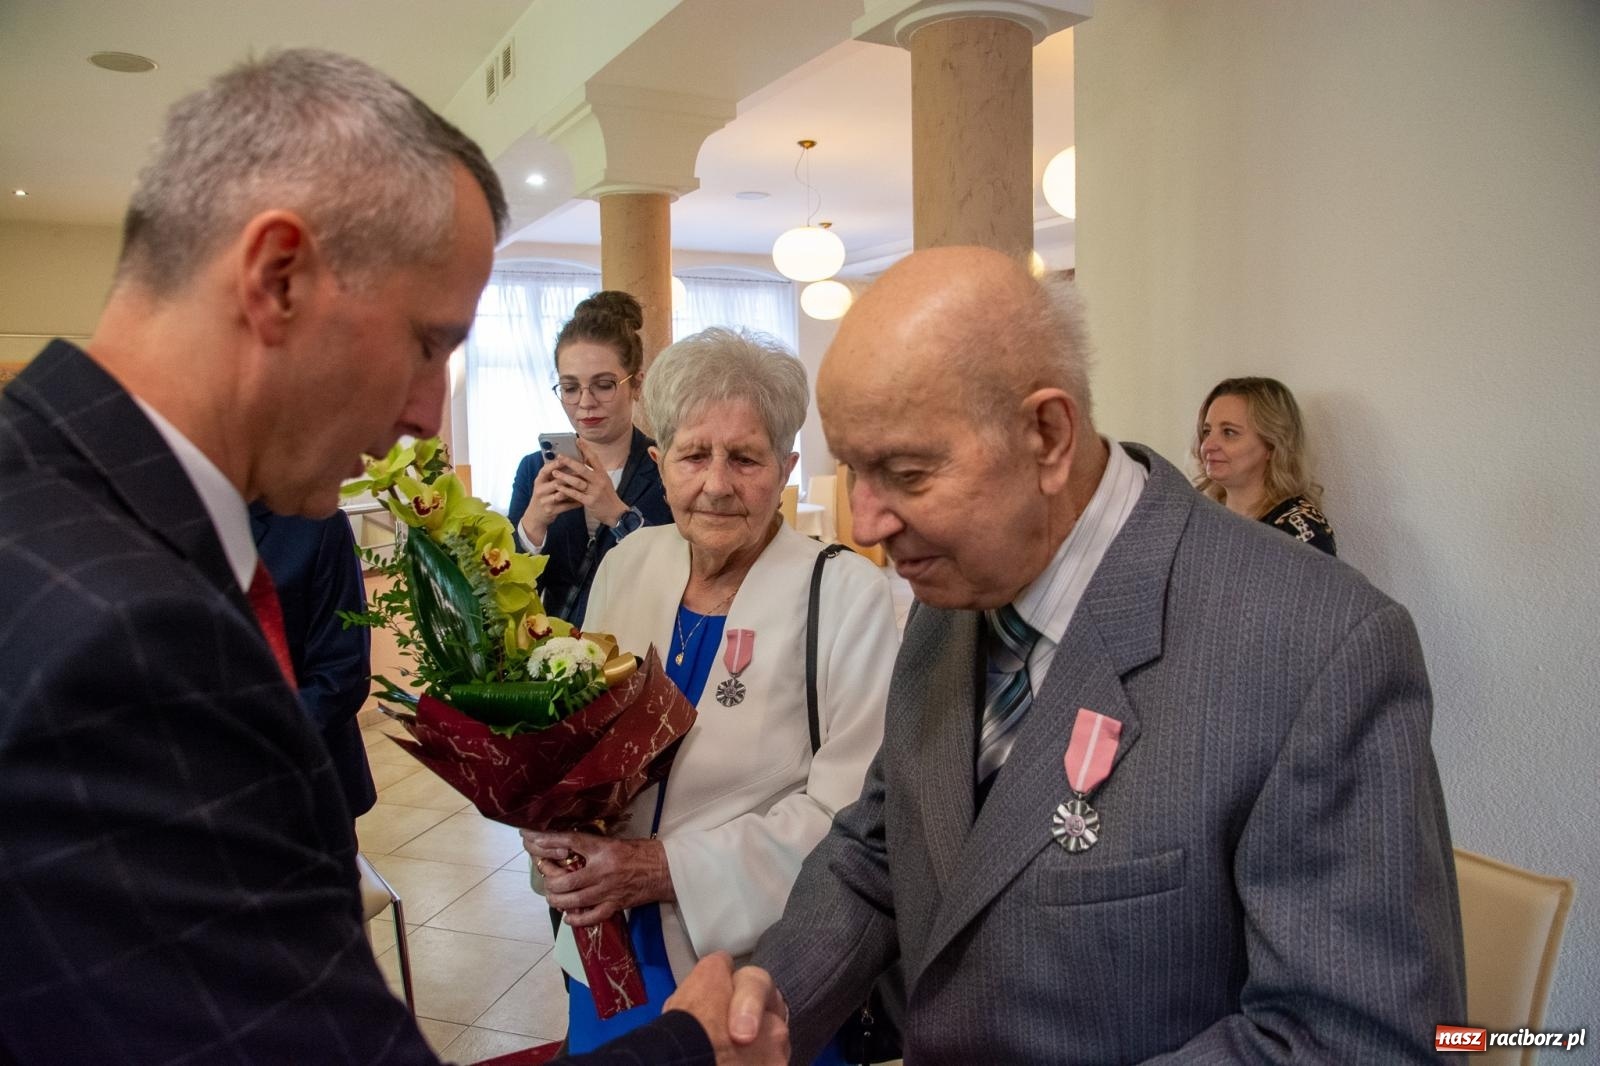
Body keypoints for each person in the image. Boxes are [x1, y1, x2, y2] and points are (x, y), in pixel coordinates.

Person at [0, 48, 785, 1066]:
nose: (425, 413)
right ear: (277, 278)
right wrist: (688, 1050)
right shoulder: (133, 641)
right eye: (427, 344)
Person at [749, 246, 1465, 1063]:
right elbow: (883, 849)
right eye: (852, 471)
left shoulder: (1319, 649)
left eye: (906, 473)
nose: (865, 523)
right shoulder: (952, 591)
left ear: (1048, 435)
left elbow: (1353, 1039)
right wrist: (762, 1005)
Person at [522, 328, 898, 1061]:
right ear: (661, 467)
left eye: (746, 458)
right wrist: (548, 822)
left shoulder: (844, 592)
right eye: (694, 455)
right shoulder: (629, 562)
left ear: (786, 468)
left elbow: (854, 818)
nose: (717, 484)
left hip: (752, 965)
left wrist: (661, 868)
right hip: (608, 951)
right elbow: (576, 738)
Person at [507, 290, 672, 622]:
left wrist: (617, 515)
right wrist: (533, 523)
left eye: (604, 384)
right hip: (556, 655)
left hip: (642, 647)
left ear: (636, 384)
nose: (585, 402)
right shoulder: (534, 470)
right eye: (570, 388)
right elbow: (506, 588)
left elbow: (680, 571)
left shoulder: (666, 465)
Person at [251, 502, 378, 818]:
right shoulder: (155, 520)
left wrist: (249, 751)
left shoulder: (314, 523)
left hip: (306, 784)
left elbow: (342, 671)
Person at [1194, 375, 1337, 555]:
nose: (1207, 445)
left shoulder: (1300, 532)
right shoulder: (1200, 518)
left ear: (1271, 444)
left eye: (1229, 432)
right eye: (1207, 431)